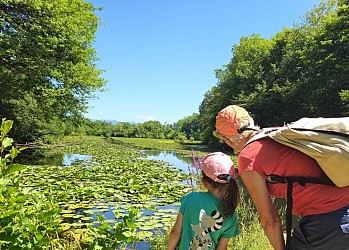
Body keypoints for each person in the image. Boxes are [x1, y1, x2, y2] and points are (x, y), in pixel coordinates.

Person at [213, 104, 349, 250]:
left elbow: (270, 220)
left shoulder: (247, 157)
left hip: (326, 223)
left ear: (227, 140)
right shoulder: (278, 133)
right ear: (251, 121)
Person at [167, 152, 240, 250]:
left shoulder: (190, 199)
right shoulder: (231, 214)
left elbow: (176, 233)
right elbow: (222, 248)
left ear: (204, 182)